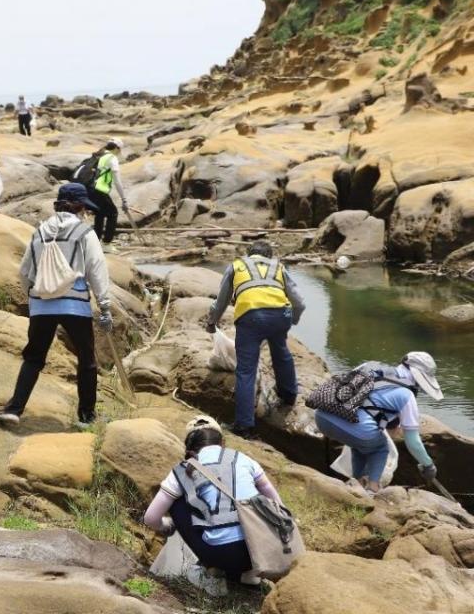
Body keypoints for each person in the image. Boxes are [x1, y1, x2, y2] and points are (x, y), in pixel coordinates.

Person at [0, 183, 111, 428]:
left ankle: (14, 409)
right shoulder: (84, 232)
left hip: (41, 304)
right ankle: (86, 417)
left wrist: (33, 297)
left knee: (33, 358)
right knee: (87, 361)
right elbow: (96, 269)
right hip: (75, 305)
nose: (87, 213)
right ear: (80, 207)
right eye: (85, 209)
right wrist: (105, 305)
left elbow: (25, 271)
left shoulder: (40, 231)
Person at [143, 416, 284, 585]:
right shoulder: (243, 459)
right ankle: (248, 574)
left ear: (188, 448)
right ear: (222, 442)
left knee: (176, 501)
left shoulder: (182, 470)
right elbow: (273, 498)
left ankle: (212, 571)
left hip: (221, 555)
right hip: (261, 552)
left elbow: (150, 518)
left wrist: (167, 525)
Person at [206, 240, 305, 439]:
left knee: (245, 370)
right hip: (280, 315)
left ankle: (244, 426)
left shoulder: (237, 265)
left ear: (249, 254)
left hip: (250, 316)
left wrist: (212, 321)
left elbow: (222, 299)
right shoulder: (278, 266)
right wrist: (292, 320)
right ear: (268, 256)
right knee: (281, 352)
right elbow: (299, 302)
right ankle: (288, 394)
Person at [315, 352, 442, 493]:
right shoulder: (407, 395)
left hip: (321, 417)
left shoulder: (370, 365)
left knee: (360, 445)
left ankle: (357, 483)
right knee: (380, 447)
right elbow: (413, 441)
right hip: (353, 428)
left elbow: (347, 391)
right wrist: (428, 465)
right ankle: (372, 488)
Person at [88, 138, 130, 252]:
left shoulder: (99, 155)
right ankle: (106, 243)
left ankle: (96, 242)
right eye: (120, 149)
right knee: (113, 213)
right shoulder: (112, 158)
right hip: (99, 189)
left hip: (90, 189)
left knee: (100, 214)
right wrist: (124, 199)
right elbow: (117, 181)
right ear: (117, 148)